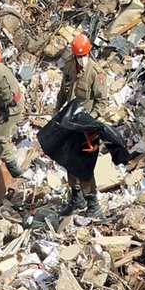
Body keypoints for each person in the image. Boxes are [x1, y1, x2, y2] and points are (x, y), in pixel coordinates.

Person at [54, 33, 108, 218]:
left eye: (84, 56)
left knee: (84, 165)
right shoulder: (69, 66)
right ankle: (76, 199)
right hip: (70, 123)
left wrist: (89, 119)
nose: (81, 59)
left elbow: (102, 103)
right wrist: (56, 112)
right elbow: (63, 91)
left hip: (86, 127)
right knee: (70, 161)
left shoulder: (95, 73)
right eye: (79, 56)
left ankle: (93, 204)